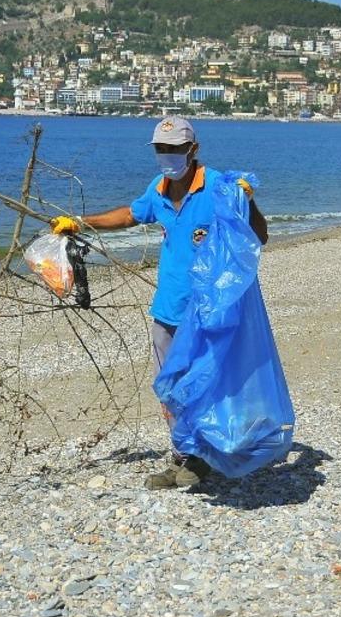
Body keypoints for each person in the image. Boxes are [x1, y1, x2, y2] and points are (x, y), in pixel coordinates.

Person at [49, 117, 268, 489]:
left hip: (206, 313)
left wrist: (247, 200)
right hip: (166, 309)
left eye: (174, 149)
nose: (167, 156)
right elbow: (130, 215)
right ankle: (182, 456)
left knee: (200, 387)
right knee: (169, 388)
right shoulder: (159, 188)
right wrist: (80, 223)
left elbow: (259, 236)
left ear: (193, 150)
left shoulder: (218, 188)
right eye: (160, 150)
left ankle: (201, 459)